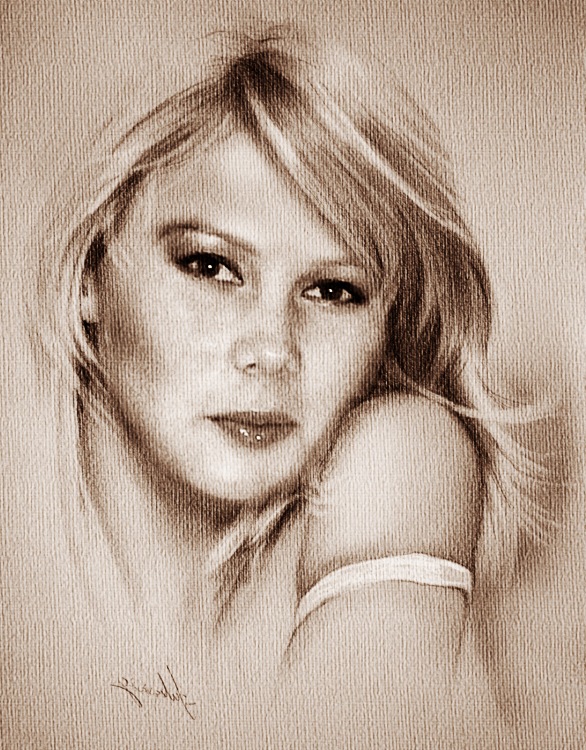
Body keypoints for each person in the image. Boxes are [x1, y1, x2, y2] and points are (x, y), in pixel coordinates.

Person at [31, 33, 553, 748]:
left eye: (333, 290)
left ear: (389, 331)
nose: (272, 349)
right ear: (91, 274)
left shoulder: (404, 454)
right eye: (211, 266)